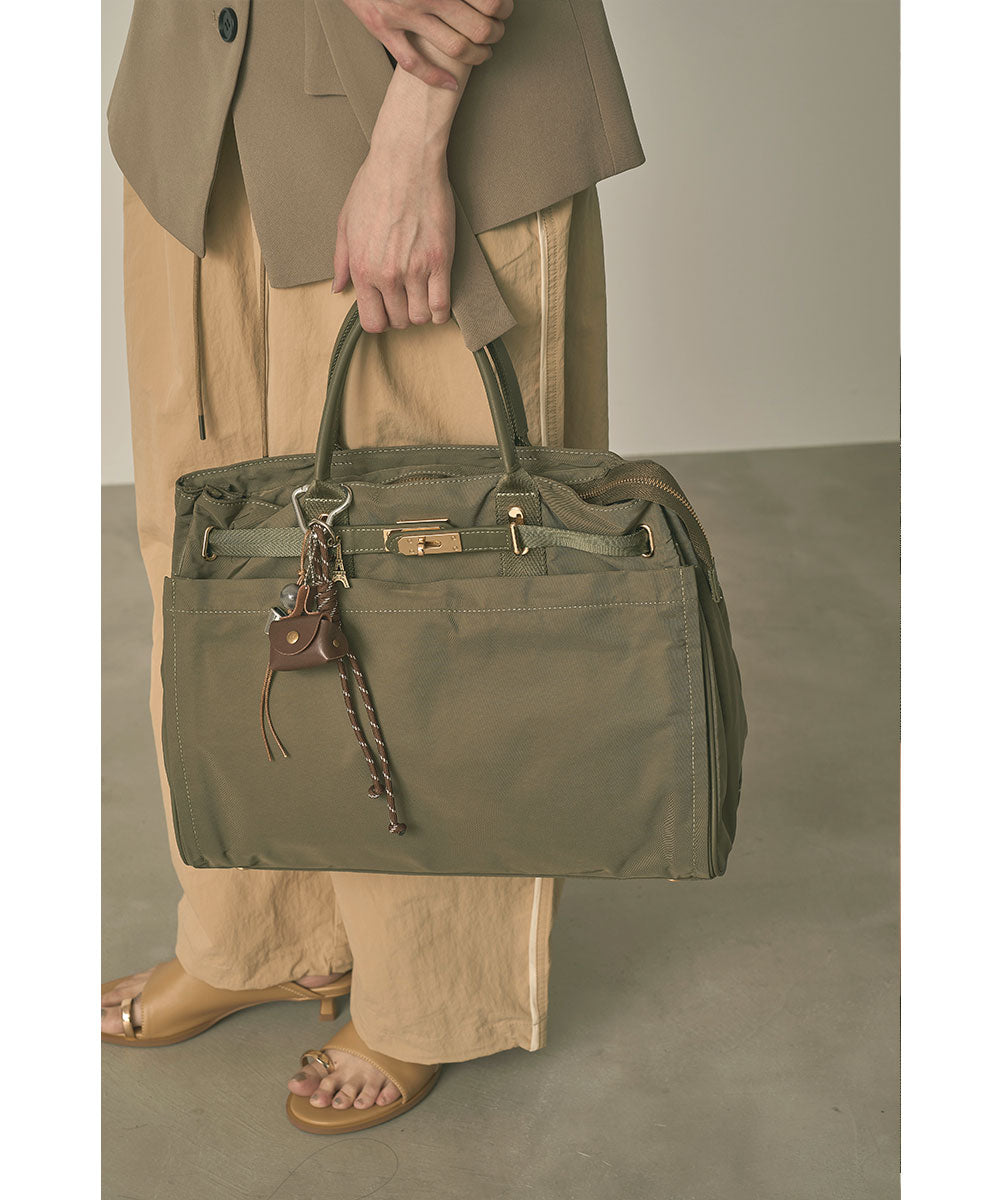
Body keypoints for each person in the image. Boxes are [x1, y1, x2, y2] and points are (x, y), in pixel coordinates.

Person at [102, 0, 644, 1132]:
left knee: (432, 593)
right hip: (201, 103)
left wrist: (414, 134)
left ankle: (430, 988)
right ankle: (264, 931)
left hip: (422, 119)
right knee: (214, 568)